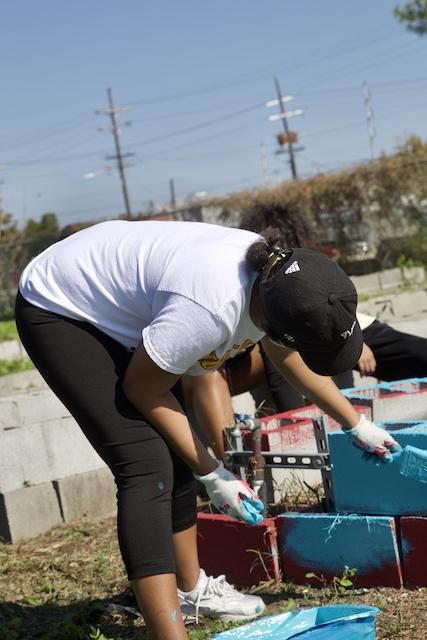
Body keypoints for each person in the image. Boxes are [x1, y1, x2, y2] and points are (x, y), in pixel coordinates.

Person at [15, 219, 399, 640]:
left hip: (119, 299)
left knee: (173, 452)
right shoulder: (209, 310)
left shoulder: (278, 283)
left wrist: (356, 423)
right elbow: (143, 389)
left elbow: (288, 359)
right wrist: (214, 473)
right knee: (145, 465)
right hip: (61, 307)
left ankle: (190, 590)